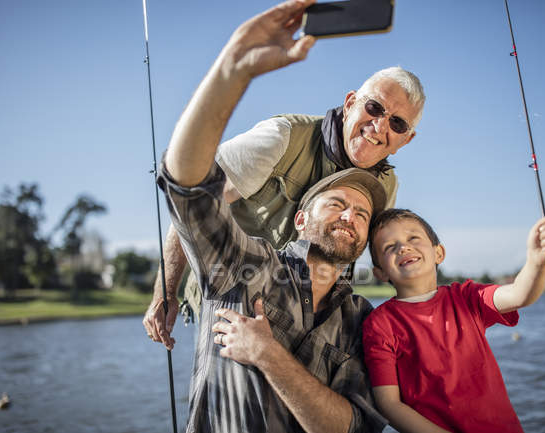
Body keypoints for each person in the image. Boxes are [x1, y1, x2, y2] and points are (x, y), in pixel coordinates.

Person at [153, 1, 389, 431]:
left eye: (362, 213)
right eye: (336, 202)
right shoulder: (245, 268)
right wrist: (233, 69)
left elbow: (353, 426)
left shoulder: (362, 320)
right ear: (300, 219)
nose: (351, 215)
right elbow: (189, 188)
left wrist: (268, 354)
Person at [142, 1, 426, 344]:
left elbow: (368, 258)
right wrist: (166, 290)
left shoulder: (387, 185)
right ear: (351, 102)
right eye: (374, 107)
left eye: (396, 123)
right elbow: (194, 202)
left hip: (303, 313)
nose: (379, 125)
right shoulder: (282, 136)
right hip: (229, 295)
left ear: (406, 140)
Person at [362, 208, 545, 433]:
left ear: (438, 253)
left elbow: (520, 294)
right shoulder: (379, 323)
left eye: (413, 238)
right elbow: (388, 404)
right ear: (380, 273)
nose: (403, 247)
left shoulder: (466, 297)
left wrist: (537, 261)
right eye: (389, 247)